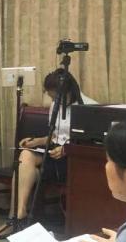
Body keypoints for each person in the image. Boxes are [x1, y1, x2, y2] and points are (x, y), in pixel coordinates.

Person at [13, 71, 97, 220]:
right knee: (25, 155)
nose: (54, 101)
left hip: (73, 159)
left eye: (57, 97)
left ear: (69, 92)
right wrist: (37, 141)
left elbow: (91, 143)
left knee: (28, 172)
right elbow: (55, 136)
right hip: (54, 153)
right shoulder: (55, 105)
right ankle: (19, 212)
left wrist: (66, 150)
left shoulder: (88, 107)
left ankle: (17, 215)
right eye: (52, 98)